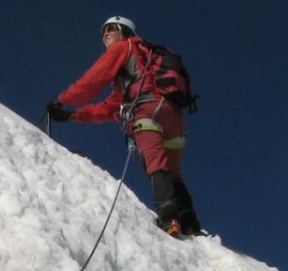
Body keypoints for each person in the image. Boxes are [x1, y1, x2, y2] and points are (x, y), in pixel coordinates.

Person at [47, 16, 203, 237]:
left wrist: (63, 100)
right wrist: (73, 116)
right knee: (174, 174)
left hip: (147, 111)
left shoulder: (124, 47)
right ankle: (191, 224)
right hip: (174, 116)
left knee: (155, 164)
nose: (105, 34)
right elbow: (112, 106)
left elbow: (94, 79)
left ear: (124, 31)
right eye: (103, 31)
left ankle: (169, 219)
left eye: (111, 28)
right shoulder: (146, 57)